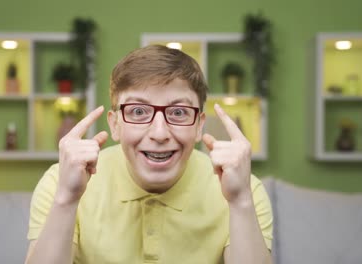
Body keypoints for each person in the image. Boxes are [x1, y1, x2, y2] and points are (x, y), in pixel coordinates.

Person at [25, 45, 273, 264]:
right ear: (115, 125)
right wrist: (67, 199)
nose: (159, 133)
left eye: (178, 112)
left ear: (199, 125)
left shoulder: (245, 190)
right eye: (138, 111)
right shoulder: (61, 181)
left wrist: (240, 202)